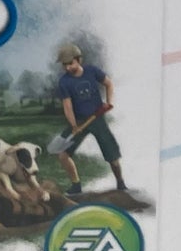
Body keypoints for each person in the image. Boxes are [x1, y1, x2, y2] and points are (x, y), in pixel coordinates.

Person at [51, 41, 127, 198]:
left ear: (79, 59)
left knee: (112, 156)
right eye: (64, 65)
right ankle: (76, 185)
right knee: (62, 153)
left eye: (70, 63)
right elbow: (67, 106)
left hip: (97, 118)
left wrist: (109, 102)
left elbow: (108, 84)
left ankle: (120, 182)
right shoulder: (64, 82)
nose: (67, 68)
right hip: (79, 121)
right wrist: (74, 125)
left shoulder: (92, 71)